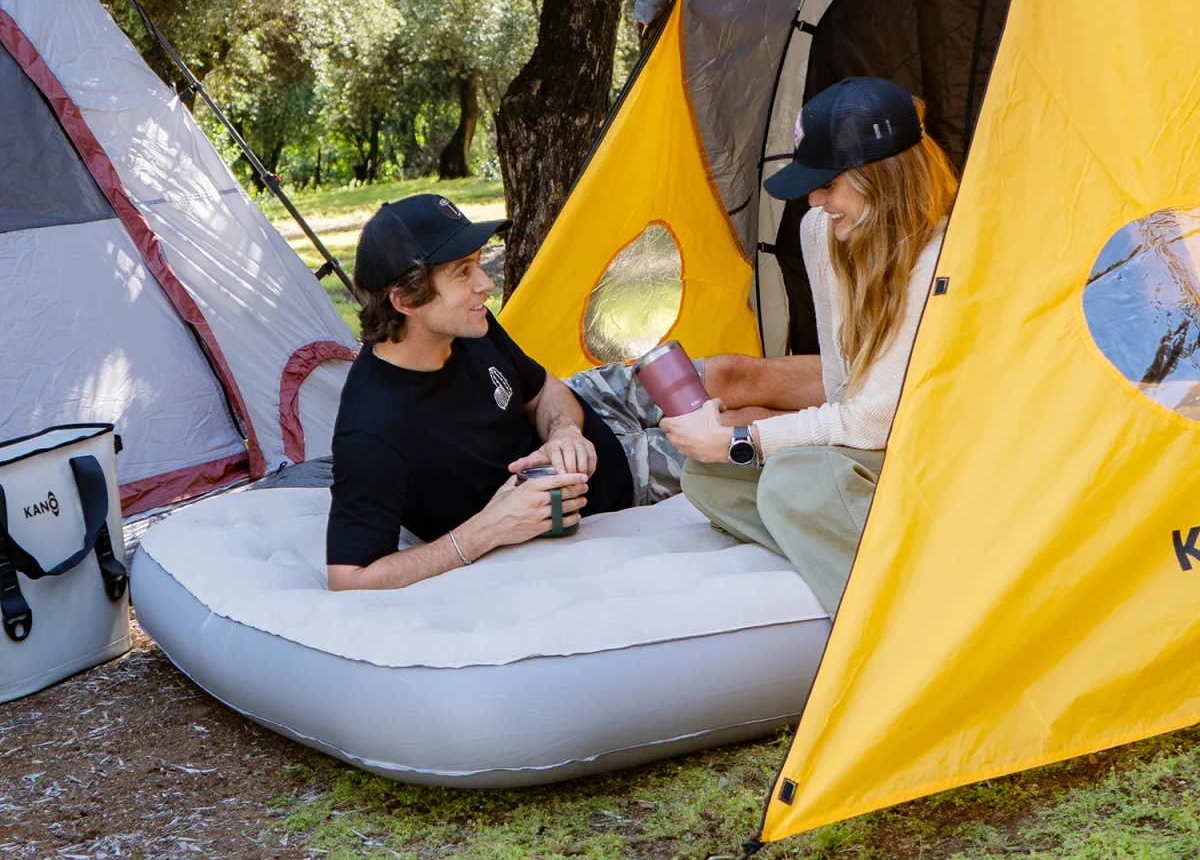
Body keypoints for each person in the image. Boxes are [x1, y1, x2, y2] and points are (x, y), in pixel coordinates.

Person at [663, 77, 958, 616]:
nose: (814, 199)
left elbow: (876, 422)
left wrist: (745, 439)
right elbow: (843, 382)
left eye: (829, 183)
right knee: (705, 476)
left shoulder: (946, 254)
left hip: (939, 463)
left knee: (795, 481)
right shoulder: (822, 232)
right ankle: (842, 547)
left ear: (884, 179)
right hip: (874, 463)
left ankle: (906, 618)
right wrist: (733, 447)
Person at [326, 193, 635, 592]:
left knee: (731, 373)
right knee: (722, 430)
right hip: (612, 484)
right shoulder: (371, 431)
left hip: (583, 413)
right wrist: (487, 531)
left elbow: (542, 390)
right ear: (405, 300)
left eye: (478, 263)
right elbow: (349, 578)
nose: (486, 283)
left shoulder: (468, 327)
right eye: (462, 272)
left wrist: (564, 433)